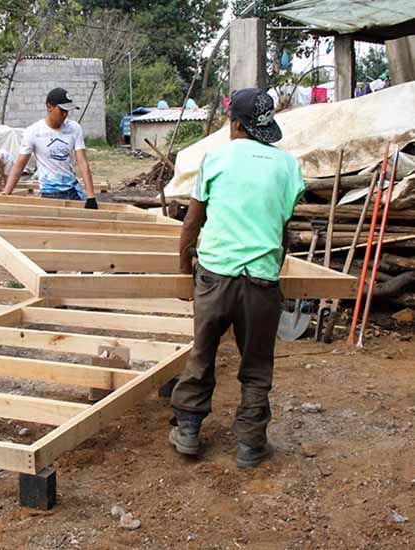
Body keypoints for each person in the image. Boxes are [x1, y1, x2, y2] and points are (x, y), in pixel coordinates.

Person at [169, 88, 305, 468]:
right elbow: (281, 227)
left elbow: (192, 223)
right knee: (257, 366)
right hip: (261, 281)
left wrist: (184, 270)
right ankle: (249, 444)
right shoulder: (288, 166)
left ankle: (189, 431)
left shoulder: (216, 158)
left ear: (236, 124)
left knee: (202, 354)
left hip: (215, 276)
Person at [2, 88, 97, 209]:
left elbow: (82, 162)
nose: (65, 114)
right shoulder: (34, 132)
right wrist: (6, 193)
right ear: (49, 107)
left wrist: (90, 196)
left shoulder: (74, 128)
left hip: (73, 190)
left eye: (67, 111)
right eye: (62, 110)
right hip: (50, 192)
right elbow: (19, 165)